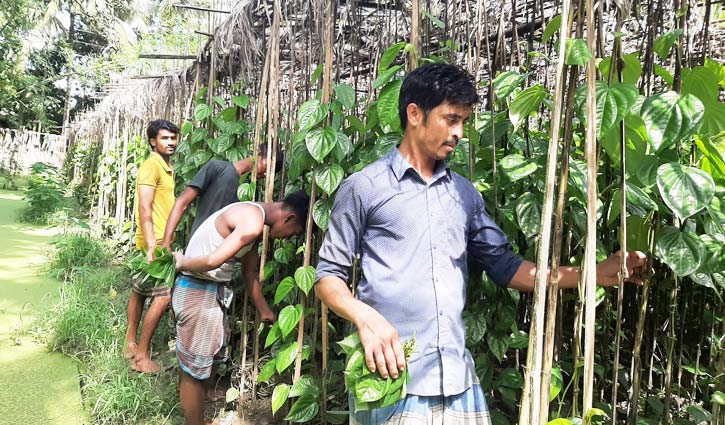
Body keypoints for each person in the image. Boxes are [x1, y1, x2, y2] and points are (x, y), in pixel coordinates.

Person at [314, 63, 648, 424]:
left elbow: (507, 268)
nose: (459, 132)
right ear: (414, 113)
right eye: (451, 119)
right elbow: (328, 277)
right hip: (390, 376)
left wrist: (594, 273)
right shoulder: (364, 187)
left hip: (456, 376)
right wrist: (366, 319)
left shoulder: (464, 194)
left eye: (464, 122)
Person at [172, 191, 309, 425]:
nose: (288, 238)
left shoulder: (253, 215)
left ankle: (196, 418)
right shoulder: (253, 222)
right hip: (198, 289)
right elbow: (212, 261)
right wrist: (181, 262)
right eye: (294, 232)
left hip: (202, 289)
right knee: (194, 371)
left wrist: (264, 310)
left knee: (196, 365)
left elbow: (249, 272)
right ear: (290, 218)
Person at [124, 119, 180, 374]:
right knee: (162, 296)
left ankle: (131, 343)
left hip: (157, 239)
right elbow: (144, 207)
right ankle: (142, 356)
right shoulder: (151, 166)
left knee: (139, 290)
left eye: (173, 138)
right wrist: (150, 245)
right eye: (165, 138)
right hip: (154, 241)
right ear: (152, 141)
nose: (170, 142)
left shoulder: (166, 166)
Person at [160, 143, 284, 246]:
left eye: (272, 173)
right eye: (268, 168)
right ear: (258, 154)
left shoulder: (249, 192)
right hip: (197, 247)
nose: (267, 175)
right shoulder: (216, 168)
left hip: (223, 258)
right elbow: (182, 202)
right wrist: (166, 241)